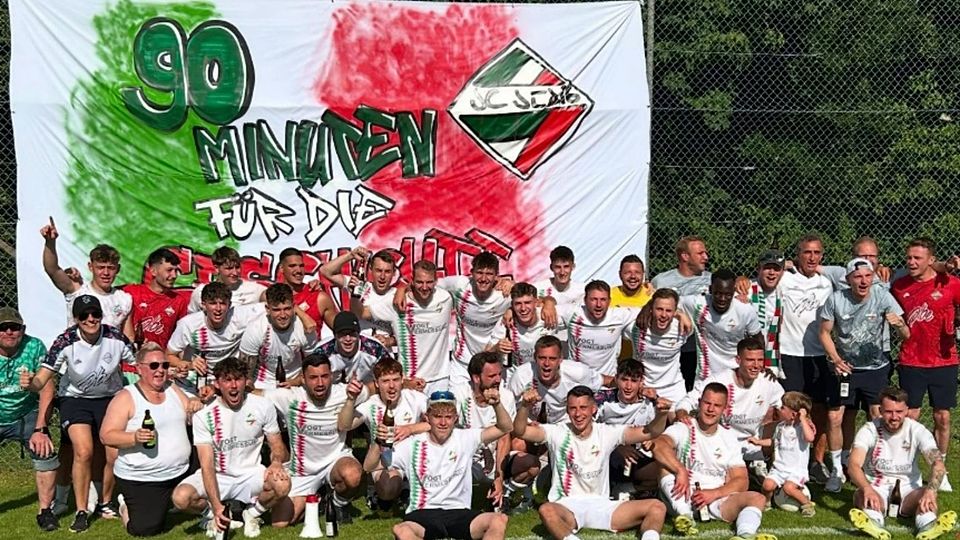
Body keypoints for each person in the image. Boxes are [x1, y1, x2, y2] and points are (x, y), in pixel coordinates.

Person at [20, 295, 135, 533]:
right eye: (84, 315)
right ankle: (82, 510)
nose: (90, 319)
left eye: (95, 314)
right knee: (83, 451)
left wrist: (166, 368)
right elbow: (42, 378)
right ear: (76, 319)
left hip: (109, 398)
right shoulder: (65, 340)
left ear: (101, 316)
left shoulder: (115, 337)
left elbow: (140, 362)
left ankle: (104, 502)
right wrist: (31, 383)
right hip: (75, 399)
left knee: (113, 453)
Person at [514, 385, 669, 540]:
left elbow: (651, 431)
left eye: (583, 408)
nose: (578, 414)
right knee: (546, 510)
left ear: (593, 409)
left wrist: (662, 414)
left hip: (602, 505)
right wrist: (525, 406)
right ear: (567, 410)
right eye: (573, 408)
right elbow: (520, 431)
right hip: (566, 506)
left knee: (657, 507)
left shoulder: (606, 432)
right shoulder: (556, 432)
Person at [172, 356, 291, 538]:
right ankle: (212, 516)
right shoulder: (204, 415)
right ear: (217, 384)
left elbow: (277, 446)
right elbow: (207, 465)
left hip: (251, 473)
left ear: (246, 381)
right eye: (227, 380)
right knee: (181, 498)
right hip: (219, 476)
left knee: (282, 485)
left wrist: (276, 462)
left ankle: (251, 514)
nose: (234, 386)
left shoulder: (263, 406)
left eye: (238, 379)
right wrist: (216, 507)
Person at [819, 258, 908, 493]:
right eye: (858, 276)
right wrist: (836, 359)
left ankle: (875, 466)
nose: (863, 281)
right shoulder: (836, 299)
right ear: (848, 279)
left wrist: (899, 325)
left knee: (878, 416)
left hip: (875, 369)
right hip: (845, 369)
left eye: (868, 276)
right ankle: (838, 470)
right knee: (835, 417)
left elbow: (906, 334)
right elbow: (824, 333)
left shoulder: (882, 296)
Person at [383, 389, 512, 540]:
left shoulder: (466, 437)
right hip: (423, 512)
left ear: (456, 418)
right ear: (427, 418)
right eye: (437, 417)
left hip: (458, 511)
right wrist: (377, 443)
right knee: (401, 530)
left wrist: (497, 404)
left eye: (448, 417)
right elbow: (371, 466)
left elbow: (506, 428)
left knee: (499, 519)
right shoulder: (412, 443)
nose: (443, 423)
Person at [99, 342, 200, 536]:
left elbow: (191, 413)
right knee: (144, 528)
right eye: (154, 366)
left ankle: (186, 504)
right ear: (139, 369)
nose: (160, 370)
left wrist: (195, 403)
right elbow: (106, 435)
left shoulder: (172, 388)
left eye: (164, 365)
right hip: (144, 477)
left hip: (180, 471)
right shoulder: (126, 397)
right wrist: (134, 437)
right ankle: (124, 503)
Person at [653, 383, 776, 540]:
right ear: (699, 403)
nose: (711, 409)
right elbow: (658, 445)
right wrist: (680, 470)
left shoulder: (729, 438)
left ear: (725, 409)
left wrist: (713, 494)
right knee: (663, 463)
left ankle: (746, 534)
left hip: (715, 500)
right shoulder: (684, 426)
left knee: (758, 498)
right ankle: (685, 515)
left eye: (717, 405)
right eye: (707, 403)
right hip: (682, 495)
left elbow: (741, 480)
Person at [258, 353, 364, 529]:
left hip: (335, 461)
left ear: (331, 376)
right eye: (313, 378)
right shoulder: (290, 397)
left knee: (352, 475)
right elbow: (255, 394)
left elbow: (374, 388)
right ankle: (319, 499)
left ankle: (338, 502)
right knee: (280, 523)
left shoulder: (344, 392)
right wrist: (214, 391)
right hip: (303, 471)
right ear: (303, 379)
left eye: (324, 376)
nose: (320, 383)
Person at [890, 237, 960, 492]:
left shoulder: (950, 283)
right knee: (910, 416)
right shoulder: (899, 286)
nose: (911, 262)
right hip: (911, 359)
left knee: (943, 417)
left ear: (931, 260)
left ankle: (940, 470)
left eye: (917, 258)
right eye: (909, 257)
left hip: (944, 359)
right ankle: (907, 468)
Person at [847, 387, 957, 540]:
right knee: (861, 495)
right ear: (880, 410)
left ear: (906, 411)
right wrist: (867, 488)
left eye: (899, 412)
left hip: (908, 489)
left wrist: (931, 491)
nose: (894, 417)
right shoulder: (869, 430)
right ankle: (874, 522)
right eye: (889, 412)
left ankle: (928, 525)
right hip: (877, 487)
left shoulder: (917, 430)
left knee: (925, 495)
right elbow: (853, 465)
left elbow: (938, 464)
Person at [395, 252, 511, 385]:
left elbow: (528, 300)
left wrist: (511, 309)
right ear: (472, 273)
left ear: (496, 276)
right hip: (461, 364)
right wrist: (401, 289)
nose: (483, 278)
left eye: (489, 274)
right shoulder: (460, 285)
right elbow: (426, 283)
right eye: (479, 273)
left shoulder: (505, 294)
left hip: (491, 365)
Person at [674, 337, 784, 477]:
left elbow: (787, 405)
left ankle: (781, 477)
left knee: (786, 429)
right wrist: (683, 415)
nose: (756, 365)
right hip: (721, 442)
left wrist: (799, 419)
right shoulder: (720, 380)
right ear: (738, 360)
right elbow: (686, 402)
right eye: (750, 360)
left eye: (760, 360)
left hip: (753, 442)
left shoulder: (768, 381)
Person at [776, 234, 836, 483]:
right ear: (798, 255)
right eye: (807, 252)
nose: (812, 257)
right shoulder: (784, 279)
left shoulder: (827, 283)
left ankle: (817, 461)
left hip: (819, 354)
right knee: (788, 410)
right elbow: (760, 283)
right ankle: (783, 461)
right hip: (789, 353)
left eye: (817, 252)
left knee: (820, 409)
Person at [337, 357, 428, 510]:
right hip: (383, 461)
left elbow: (438, 424)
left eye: (396, 380)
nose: (392, 386)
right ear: (377, 383)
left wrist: (410, 429)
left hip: (414, 457)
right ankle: (385, 489)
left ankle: (407, 487)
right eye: (385, 381)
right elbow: (344, 425)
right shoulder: (371, 404)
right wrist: (351, 400)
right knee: (387, 490)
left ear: (402, 380)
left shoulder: (415, 398)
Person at [353, 259, 453, 394]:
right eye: (419, 282)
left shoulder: (445, 297)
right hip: (409, 380)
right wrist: (355, 294)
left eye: (429, 282)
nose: (424, 287)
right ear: (412, 280)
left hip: (440, 378)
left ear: (436, 281)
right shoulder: (397, 303)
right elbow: (360, 313)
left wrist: (402, 288)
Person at [0, 307, 59, 531]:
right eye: (3, 327)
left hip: (26, 412)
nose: (9, 332)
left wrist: (41, 429)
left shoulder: (34, 346)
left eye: (14, 327)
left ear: (23, 330)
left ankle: (45, 511)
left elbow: (47, 387)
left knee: (45, 452)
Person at [167, 282, 266, 397]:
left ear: (229, 305)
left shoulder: (240, 316)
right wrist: (189, 364)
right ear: (203, 305)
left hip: (228, 382)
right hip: (194, 382)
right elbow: (168, 355)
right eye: (213, 303)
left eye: (223, 303)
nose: (218, 309)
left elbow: (273, 305)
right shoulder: (188, 324)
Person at [451, 352, 520, 512]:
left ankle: (503, 493)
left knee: (529, 464)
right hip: (466, 459)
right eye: (491, 376)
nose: (498, 380)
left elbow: (504, 438)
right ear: (476, 378)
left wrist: (499, 476)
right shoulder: (459, 394)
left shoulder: (506, 396)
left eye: (499, 374)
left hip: (494, 457)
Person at [40, 217, 132, 332]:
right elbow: (52, 269)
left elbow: (128, 337)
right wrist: (50, 243)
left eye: (111, 268)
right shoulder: (77, 289)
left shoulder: (124, 299)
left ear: (118, 269)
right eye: (100, 267)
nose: (106, 273)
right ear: (90, 267)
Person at [651, 236, 712, 406]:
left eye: (705, 253)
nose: (706, 257)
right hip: (669, 348)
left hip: (699, 349)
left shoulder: (711, 280)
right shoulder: (661, 281)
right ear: (685, 256)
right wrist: (678, 313)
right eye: (700, 253)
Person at [598, 360, 672, 499]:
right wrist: (617, 447)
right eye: (624, 380)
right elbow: (590, 431)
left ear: (641, 382)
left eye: (633, 381)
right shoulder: (602, 399)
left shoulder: (650, 402)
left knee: (666, 468)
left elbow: (660, 431)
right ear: (616, 379)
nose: (628, 386)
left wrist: (652, 440)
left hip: (638, 456)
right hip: (608, 455)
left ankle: (626, 489)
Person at [679, 270, 761, 389]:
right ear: (710, 289)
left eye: (728, 294)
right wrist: (679, 314)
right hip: (706, 375)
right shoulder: (698, 304)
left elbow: (758, 339)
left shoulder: (745, 310)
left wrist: (764, 365)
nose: (722, 299)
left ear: (734, 291)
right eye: (718, 293)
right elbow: (668, 301)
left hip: (736, 373)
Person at [507, 335, 605, 424]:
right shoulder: (521, 375)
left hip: (566, 424)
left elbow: (605, 381)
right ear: (535, 358)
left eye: (552, 358)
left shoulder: (578, 372)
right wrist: (526, 419)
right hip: (532, 425)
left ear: (560, 359)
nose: (546, 363)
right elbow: (508, 406)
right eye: (542, 358)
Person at [748, 391, 816, 517]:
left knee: (789, 488)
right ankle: (766, 502)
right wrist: (758, 442)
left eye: (783, 407)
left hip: (796, 470)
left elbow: (810, 438)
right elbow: (775, 442)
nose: (779, 409)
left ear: (793, 414)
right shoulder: (780, 426)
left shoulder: (802, 428)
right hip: (779, 468)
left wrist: (803, 419)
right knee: (767, 485)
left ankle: (806, 504)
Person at [555, 280, 641, 379]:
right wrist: (548, 302)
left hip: (607, 381)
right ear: (585, 300)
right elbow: (547, 309)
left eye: (603, 299)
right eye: (594, 299)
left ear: (609, 301)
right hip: (577, 380)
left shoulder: (619, 316)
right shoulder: (573, 313)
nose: (598, 304)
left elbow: (645, 310)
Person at [239, 283, 317, 389]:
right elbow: (245, 374)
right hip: (263, 382)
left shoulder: (305, 328)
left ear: (294, 307)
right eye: (277, 310)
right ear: (267, 309)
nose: (283, 315)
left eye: (287, 309)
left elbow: (313, 365)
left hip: (295, 381)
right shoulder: (256, 328)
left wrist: (294, 382)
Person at [627, 288, 691, 405]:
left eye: (669, 310)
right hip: (643, 388)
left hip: (673, 388)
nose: (663, 315)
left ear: (675, 312)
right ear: (651, 309)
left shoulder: (683, 328)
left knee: (681, 416)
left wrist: (681, 314)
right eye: (659, 309)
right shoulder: (635, 327)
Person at [323, 248, 398, 347]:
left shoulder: (398, 296)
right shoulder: (359, 286)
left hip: (383, 351)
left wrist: (390, 341)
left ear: (394, 272)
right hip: (357, 348)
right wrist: (350, 255)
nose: (382, 276)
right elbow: (326, 271)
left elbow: (410, 331)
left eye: (387, 271)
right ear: (370, 269)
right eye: (378, 271)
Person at [122, 248, 190, 349]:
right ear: (153, 271)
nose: (174, 275)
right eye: (169, 270)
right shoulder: (131, 293)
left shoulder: (179, 301)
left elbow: (179, 339)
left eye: (176, 270)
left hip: (160, 357)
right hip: (131, 355)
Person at [487, 282, 557, 379]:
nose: (523, 308)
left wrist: (549, 302)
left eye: (527, 303)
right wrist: (496, 348)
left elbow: (574, 311)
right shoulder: (506, 321)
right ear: (512, 305)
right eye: (518, 304)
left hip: (545, 378)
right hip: (516, 378)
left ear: (536, 303)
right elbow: (486, 352)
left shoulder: (548, 315)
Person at [275, 247, 340, 336]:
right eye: (292, 266)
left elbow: (341, 329)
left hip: (312, 345)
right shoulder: (270, 297)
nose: (298, 270)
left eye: (301, 266)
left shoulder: (319, 297)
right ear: (281, 268)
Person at [317, 311, 392, 384]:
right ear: (335, 335)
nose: (348, 339)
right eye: (342, 334)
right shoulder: (322, 352)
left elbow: (390, 375)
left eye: (352, 334)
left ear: (358, 334)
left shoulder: (375, 348)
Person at [744, 250, 785, 378]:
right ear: (759, 269)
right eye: (767, 268)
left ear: (782, 272)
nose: (772, 272)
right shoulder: (747, 290)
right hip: (749, 356)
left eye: (776, 269)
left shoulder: (785, 290)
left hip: (774, 357)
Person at [188, 246, 267, 313]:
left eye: (237, 267)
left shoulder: (253, 289)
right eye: (229, 268)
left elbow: (270, 295)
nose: (235, 273)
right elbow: (192, 318)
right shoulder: (200, 292)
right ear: (217, 268)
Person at [611, 254, 654, 360]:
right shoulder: (608, 296)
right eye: (627, 272)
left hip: (645, 360)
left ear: (643, 274)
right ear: (620, 274)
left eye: (637, 272)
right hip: (615, 361)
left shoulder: (652, 296)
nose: (633, 276)